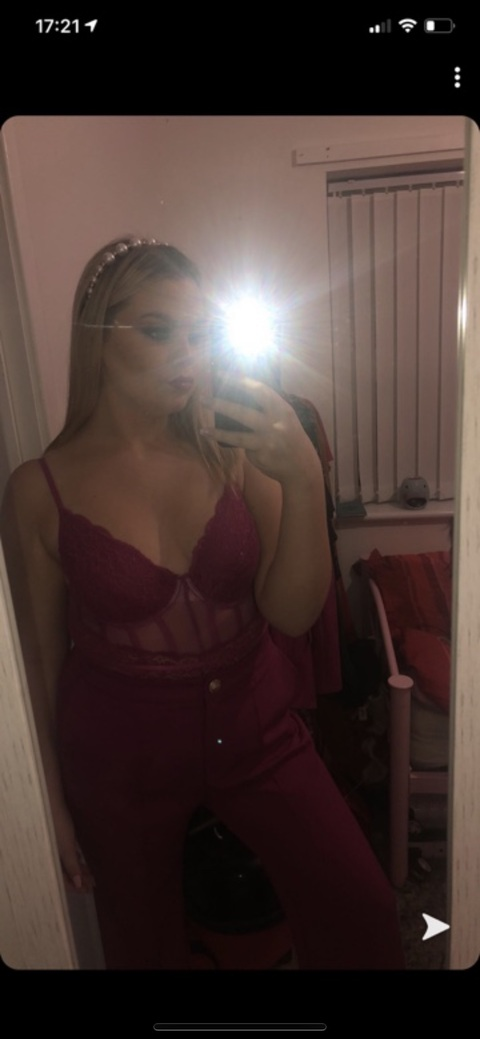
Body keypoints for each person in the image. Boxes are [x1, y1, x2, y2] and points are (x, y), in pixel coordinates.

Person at [0, 235, 405, 970]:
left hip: (256, 722)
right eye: (158, 331)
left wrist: (303, 475)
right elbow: (38, 665)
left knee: (362, 905)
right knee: (142, 945)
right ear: (96, 336)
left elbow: (292, 614)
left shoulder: (234, 447)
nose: (186, 355)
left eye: (199, 333)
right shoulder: (38, 489)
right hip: (118, 752)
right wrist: (45, 802)